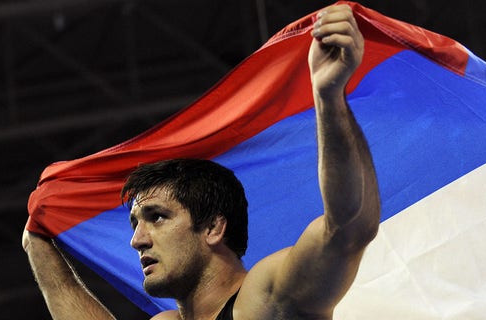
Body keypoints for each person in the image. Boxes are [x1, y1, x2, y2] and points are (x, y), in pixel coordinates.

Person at [22, 4, 380, 320]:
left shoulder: (265, 299)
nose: (136, 240)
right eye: (135, 223)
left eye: (157, 217)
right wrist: (37, 245)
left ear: (213, 228)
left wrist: (328, 96)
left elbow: (349, 229)